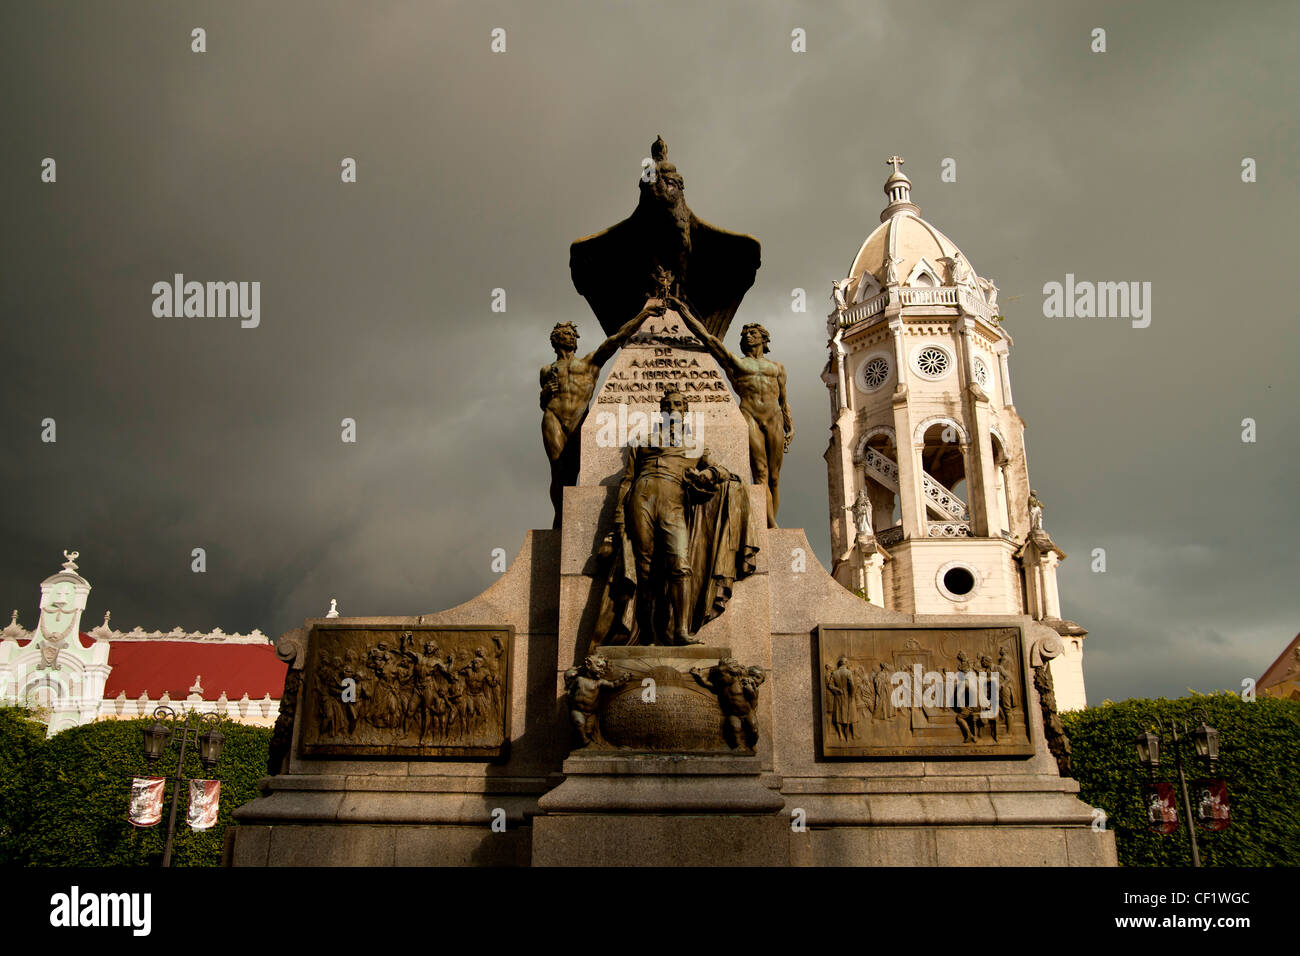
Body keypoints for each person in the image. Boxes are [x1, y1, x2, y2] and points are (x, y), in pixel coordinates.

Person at [541, 301, 667, 527]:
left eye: (571, 334)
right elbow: (544, 402)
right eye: (562, 333)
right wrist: (544, 394)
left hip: (579, 418)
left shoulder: (589, 363)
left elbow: (616, 339)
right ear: (554, 339)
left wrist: (643, 315)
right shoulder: (546, 370)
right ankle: (560, 518)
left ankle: (575, 514)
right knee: (558, 470)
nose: (568, 336)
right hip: (553, 418)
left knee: (576, 467)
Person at [671, 296, 793, 527]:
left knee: (775, 478)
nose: (748, 336)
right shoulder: (736, 363)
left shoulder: (777, 367)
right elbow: (708, 339)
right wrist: (683, 310)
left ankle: (771, 524)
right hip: (750, 415)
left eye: (753, 333)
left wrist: (790, 425)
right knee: (761, 471)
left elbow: (784, 399)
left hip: (775, 417)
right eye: (745, 334)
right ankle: (768, 522)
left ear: (764, 339)